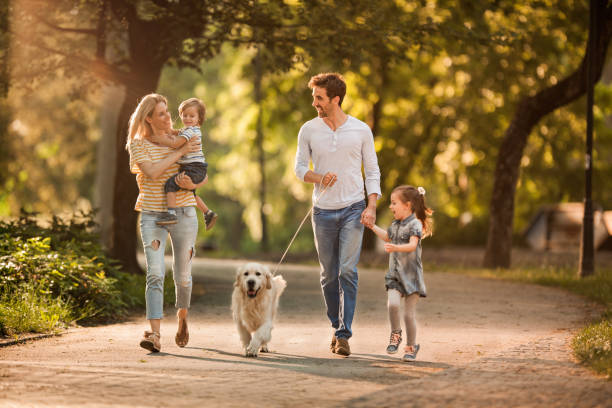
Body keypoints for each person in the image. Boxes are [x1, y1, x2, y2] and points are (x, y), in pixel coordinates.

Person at [294, 72, 381, 356]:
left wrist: (371, 206)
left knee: (347, 271)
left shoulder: (360, 130)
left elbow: (372, 171)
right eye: (314, 98)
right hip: (322, 212)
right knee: (328, 275)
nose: (314, 103)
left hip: (354, 209)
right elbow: (298, 169)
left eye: (319, 98)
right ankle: (336, 325)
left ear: (335, 99)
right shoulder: (308, 129)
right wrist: (318, 178)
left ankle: (343, 334)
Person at [126, 93, 207, 353]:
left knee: (183, 276)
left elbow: (201, 171)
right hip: (152, 215)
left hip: (183, 212)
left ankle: (182, 316)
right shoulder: (138, 144)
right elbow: (151, 171)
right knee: (155, 273)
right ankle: (155, 334)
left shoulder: (182, 136)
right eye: (160, 113)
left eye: (167, 111)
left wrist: (194, 183)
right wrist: (181, 151)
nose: (167, 116)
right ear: (148, 118)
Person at [365, 185, 433, 362]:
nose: (390, 206)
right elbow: (387, 237)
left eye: (394, 203)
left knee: (408, 315)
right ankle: (396, 333)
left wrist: (396, 248)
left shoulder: (415, 224)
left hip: (412, 277)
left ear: (407, 205)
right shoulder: (395, 225)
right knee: (392, 305)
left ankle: (411, 346)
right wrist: (372, 227)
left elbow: (412, 245)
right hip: (395, 276)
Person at [154, 97, 217, 230]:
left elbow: (176, 143)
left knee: (170, 185)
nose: (187, 118)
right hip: (196, 168)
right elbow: (174, 132)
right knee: (191, 193)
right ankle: (208, 213)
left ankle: (170, 215)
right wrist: (167, 129)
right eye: (184, 115)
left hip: (192, 168)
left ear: (199, 119)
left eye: (192, 116)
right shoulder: (188, 130)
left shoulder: (191, 131)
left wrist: (159, 140)